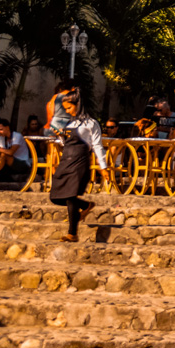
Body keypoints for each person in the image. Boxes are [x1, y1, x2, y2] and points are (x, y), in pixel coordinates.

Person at [49, 89, 109, 243]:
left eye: (69, 107)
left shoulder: (91, 124)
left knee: (70, 197)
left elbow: (97, 145)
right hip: (66, 161)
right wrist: (60, 135)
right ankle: (86, 205)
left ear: (78, 105)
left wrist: (103, 166)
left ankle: (72, 233)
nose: (67, 111)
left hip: (80, 162)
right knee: (55, 196)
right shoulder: (69, 123)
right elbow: (65, 143)